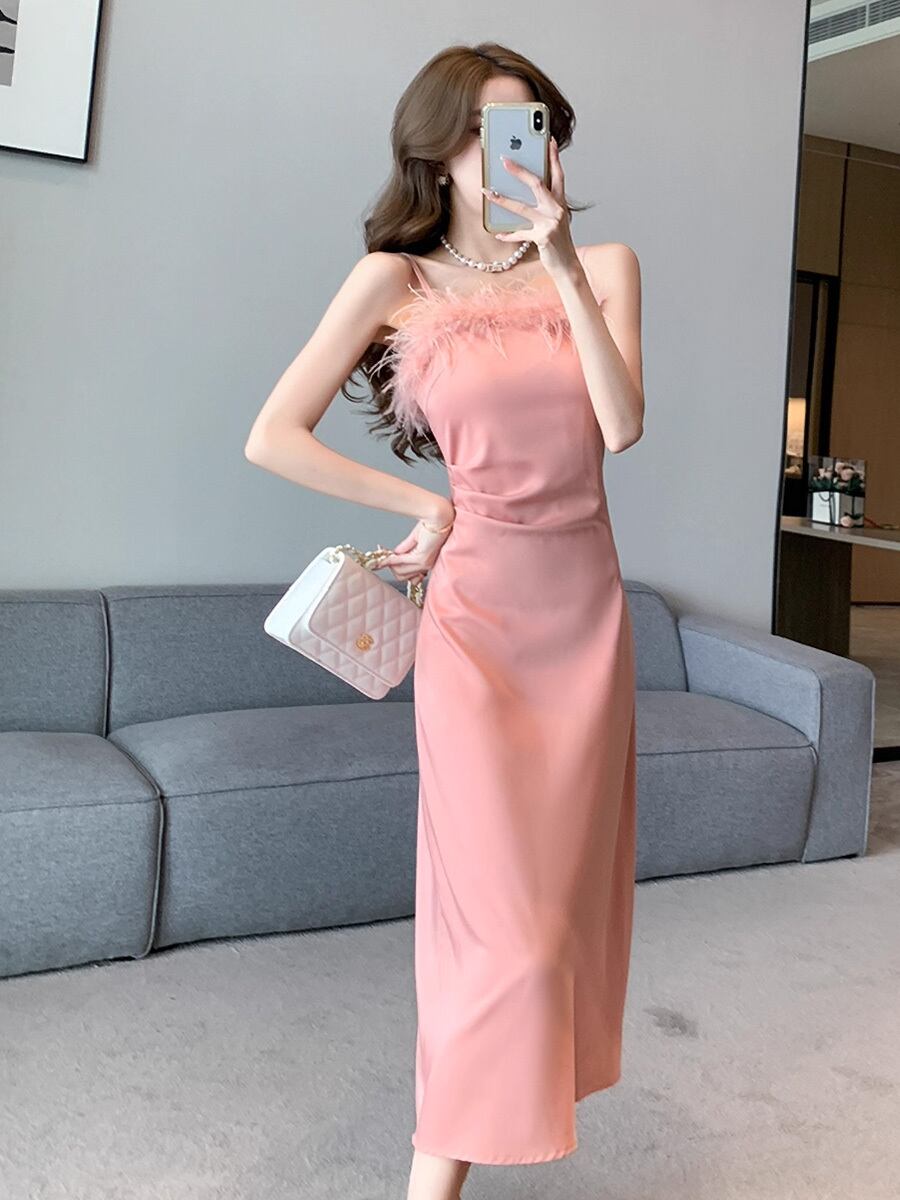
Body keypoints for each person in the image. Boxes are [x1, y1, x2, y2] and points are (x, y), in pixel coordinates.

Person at [245, 40, 644, 1200]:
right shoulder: (397, 281)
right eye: (477, 129)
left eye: (525, 127)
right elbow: (272, 435)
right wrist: (426, 503)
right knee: (498, 932)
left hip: (584, 615)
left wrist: (556, 258)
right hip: (476, 622)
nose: (501, 150)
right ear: (436, 148)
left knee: (553, 924)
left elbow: (621, 427)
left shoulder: (605, 264)